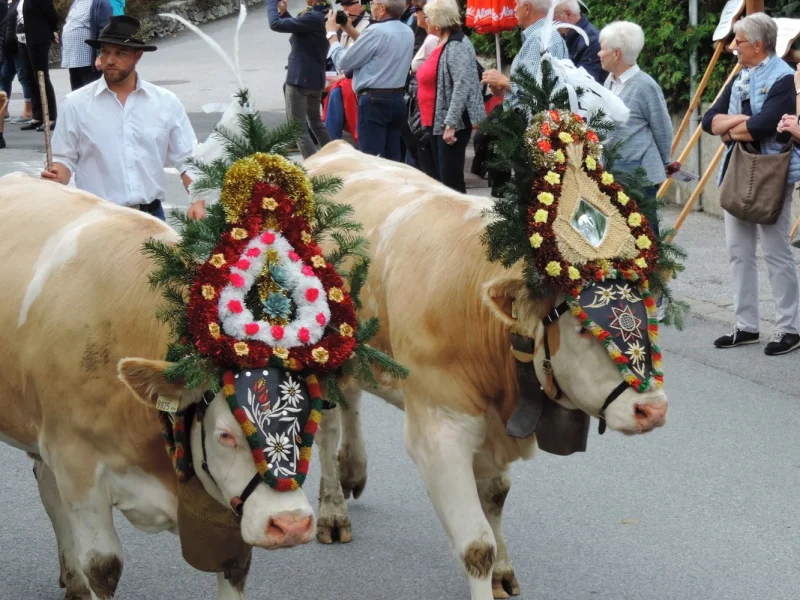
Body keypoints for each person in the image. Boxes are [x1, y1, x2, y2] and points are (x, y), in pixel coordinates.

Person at [701, 12, 800, 356]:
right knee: (737, 251)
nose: (733, 48)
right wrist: (741, 122)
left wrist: (731, 129)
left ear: (758, 45)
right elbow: (707, 120)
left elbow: (766, 126)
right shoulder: (741, 74)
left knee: (775, 253)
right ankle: (746, 325)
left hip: (772, 173)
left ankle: (789, 328)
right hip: (739, 169)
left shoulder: (784, 78)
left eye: (738, 42)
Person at [41, 16, 205, 221]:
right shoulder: (76, 104)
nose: (110, 60)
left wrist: (197, 201)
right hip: (96, 218)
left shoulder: (165, 103)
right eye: (105, 51)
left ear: (137, 56)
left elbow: (187, 158)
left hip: (150, 218)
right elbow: (63, 158)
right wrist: (56, 175)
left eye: (120, 53)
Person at [325, 0, 414, 161]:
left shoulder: (375, 31)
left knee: (372, 159)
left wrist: (331, 35)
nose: (369, 7)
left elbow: (343, 62)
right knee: (392, 159)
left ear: (382, 8)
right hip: (397, 99)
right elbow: (376, 49)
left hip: (374, 101)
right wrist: (349, 28)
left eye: (372, 3)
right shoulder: (407, 31)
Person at [599, 22, 672, 215]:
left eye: (602, 49)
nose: (599, 53)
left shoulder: (645, 86)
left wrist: (665, 162)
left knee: (644, 234)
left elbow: (662, 127)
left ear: (616, 54)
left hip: (639, 174)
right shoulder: (610, 81)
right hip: (615, 171)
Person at [416, 0, 483, 192]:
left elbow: (462, 85)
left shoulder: (457, 44)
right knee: (439, 181)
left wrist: (451, 125)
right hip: (436, 121)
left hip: (451, 124)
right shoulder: (442, 41)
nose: (424, 20)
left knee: (450, 183)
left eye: (427, 16)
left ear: (438, 20)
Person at [267, 0, 331, 159]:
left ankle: (313, 166)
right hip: (315, 78)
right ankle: (333, 157)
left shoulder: (313, 17)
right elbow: (301, 30)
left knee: (298, 128)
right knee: (316, 123)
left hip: (300, 79)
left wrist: (270, 3)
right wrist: (284, 13)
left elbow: (275, 24)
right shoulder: (322, 14)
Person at [479, 0, 568, 108]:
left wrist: (503, 80)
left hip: (532, 122)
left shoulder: (538, 38)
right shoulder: (545, 34)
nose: (514, 9)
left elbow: (536, 94)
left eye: (516, 4)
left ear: (527, 8)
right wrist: (504, 89)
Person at [322, 0, 369, 142]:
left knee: (337, 92)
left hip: (359, 77)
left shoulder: (368, 26)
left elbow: (360, 60)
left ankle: (332, 141)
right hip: (343, 74)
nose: (345, 9)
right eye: (343, 5)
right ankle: (318, 134)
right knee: (313, 84)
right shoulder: (344, 24)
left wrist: (340, 78)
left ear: (361, 5)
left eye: (349, 4)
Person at [17, 0, 59, 132]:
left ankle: (50, 117)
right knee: (29, 77)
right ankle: (37, 116)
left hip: (38, 38)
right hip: (22, 40)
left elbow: (52, 15)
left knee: (41, 77)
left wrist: (52, 30)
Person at [61, 0, 112, 91]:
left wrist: (101, 55)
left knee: (92, 94)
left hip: (89, 61)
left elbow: (105, 30)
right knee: (77, 95)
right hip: (73, 60)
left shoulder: (100, 2)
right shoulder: (77, 1)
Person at [1, 0, 34, 128]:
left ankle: (28, 111)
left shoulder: (20, 3)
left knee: (24, 78)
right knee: (4, 78)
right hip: (6, 48)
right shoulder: (6, 3)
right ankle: (4, 110)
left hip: (18, 46)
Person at [554, 0, 605, 83]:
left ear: (568, 15)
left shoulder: (592, 41)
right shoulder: (565, 36)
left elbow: (584, 84)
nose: (551, 24)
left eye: (553, 19)